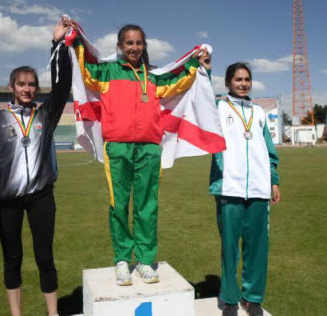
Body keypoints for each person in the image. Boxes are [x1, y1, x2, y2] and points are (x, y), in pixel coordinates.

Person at [67, 21, 211, 286]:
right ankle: (122, 260)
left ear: (144, 46)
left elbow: (179, 82)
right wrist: (75, 39)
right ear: (120, 46)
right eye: (129, 43)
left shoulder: (154, 76)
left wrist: (195, 62)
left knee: (147, 206)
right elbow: (86, 69)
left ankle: (145, 261)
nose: (134, 47)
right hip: (117, 146)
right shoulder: (107, 71)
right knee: (118, 204)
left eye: (139, 43)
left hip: (148, 148)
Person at [0, 18, 72, 316]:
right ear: (11, 87)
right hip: (8, 202)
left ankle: (52, 313)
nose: (27, 89)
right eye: (22, 84)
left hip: (42, 197)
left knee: (45, 257)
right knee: (12, 259)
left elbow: (63, 85)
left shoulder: (46, 115)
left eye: (32, 85)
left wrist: (57, 44)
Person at [209, 62, 281, 316]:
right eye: (238, 79)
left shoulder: (259, 112)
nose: (243, 84)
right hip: (230, 186)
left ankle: (252, 298)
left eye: (247, 79)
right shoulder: (218, 108)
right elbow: (201, 98)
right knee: (229, 246)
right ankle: (230, 298)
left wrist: (273, 180)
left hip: (259, 189)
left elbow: (269, 151)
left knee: (257, 247)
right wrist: (206, 70)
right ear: (227, 82)